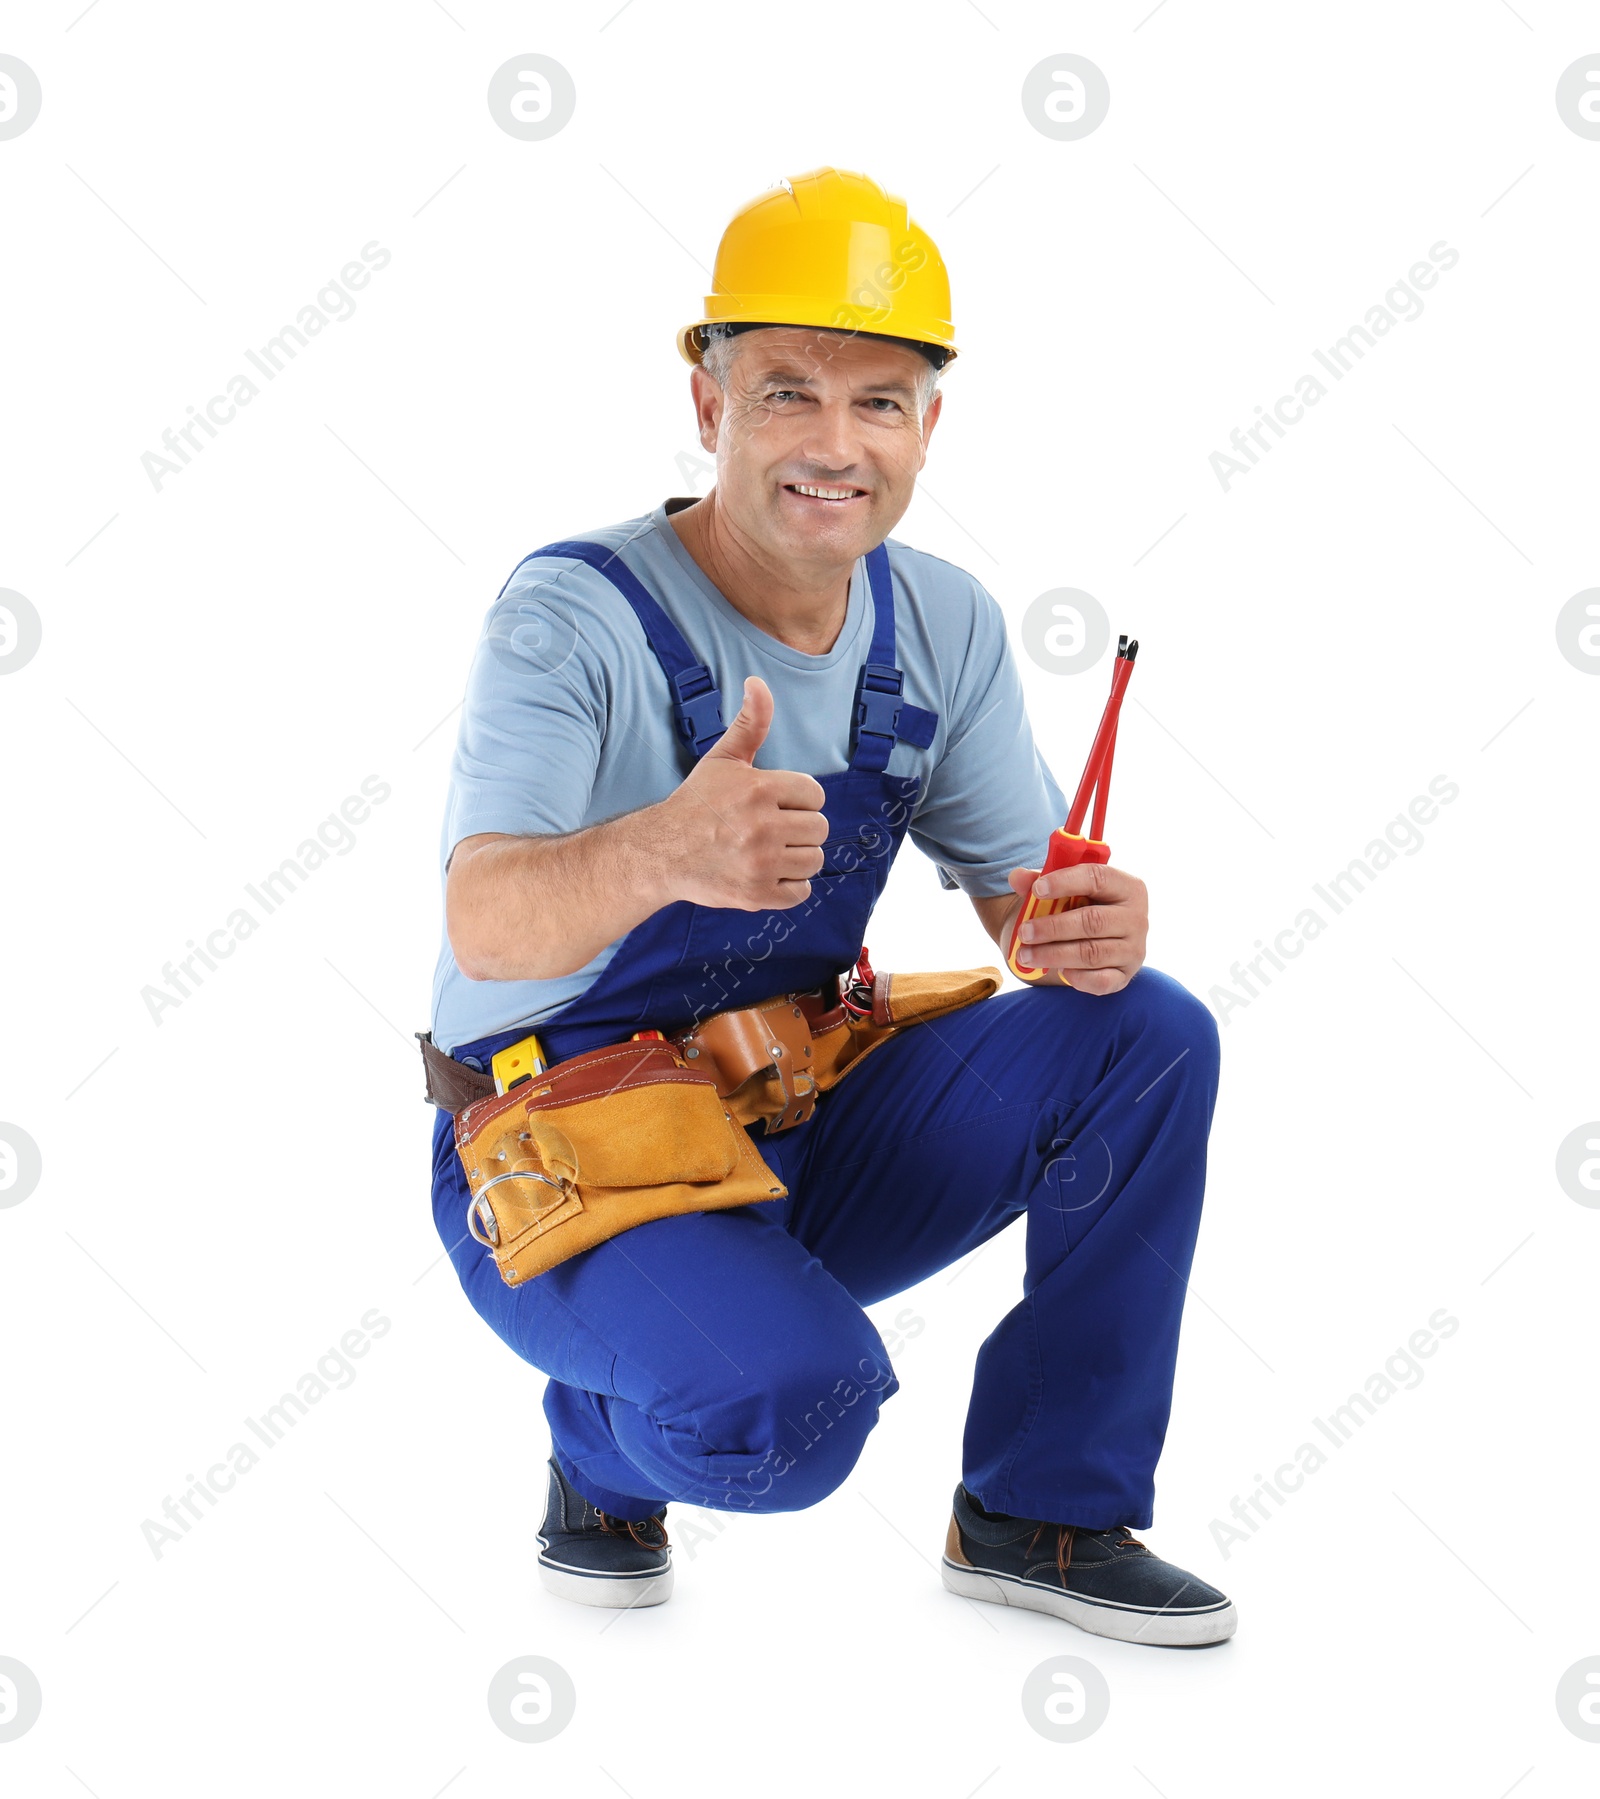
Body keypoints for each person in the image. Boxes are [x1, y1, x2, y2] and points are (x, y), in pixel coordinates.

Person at [425, 167, 1234, 1646]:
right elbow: (486, 925)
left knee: (1148, 1031)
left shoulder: (942, 621)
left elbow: (1019, 905)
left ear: (931, 424)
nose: (833, 445)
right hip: (556, 1156)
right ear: (708, 398)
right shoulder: (574, 617)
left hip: (785, 1119)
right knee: (794, 1415)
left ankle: (1042, 1513)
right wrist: (658, 850)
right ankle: (601, 1450)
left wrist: (1073, 925)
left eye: (878, 401)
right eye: (788, 390)